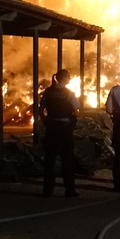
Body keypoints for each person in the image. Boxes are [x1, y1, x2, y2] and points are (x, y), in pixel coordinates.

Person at [38, 68, 80, 197]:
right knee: (67, 158)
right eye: (68, 77)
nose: (69, 79)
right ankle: (69, 190)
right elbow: (76, 111)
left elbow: (41, 110)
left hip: (52, 127)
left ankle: (47, 190)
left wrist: (46, 122)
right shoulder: (69, 93)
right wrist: (73, 123)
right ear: (64, 78)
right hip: (65, 128)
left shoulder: (48, 92)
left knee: (49, 159)